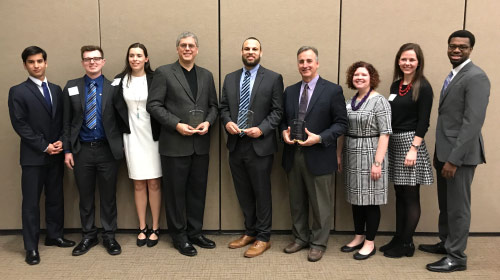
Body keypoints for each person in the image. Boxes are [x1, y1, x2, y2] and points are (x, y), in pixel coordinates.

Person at [421, 30, 490, 273]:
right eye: (452, 46)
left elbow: (472, 123)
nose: (456, 50)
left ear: (471, 49)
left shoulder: (476, 77)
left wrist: (453, 160)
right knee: (446, 204)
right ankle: (447, 242)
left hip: (459, 157)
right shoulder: (455, 74)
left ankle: (457, 257)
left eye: (462, 46)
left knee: (459, 207)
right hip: (445, 153)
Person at [147, 31, 218, 257]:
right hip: (174, 144)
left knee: (197, 192)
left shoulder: (206, 75)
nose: (187, 49)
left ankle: (195, 232)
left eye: (191, 45)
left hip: (200, 145)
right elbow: (154, 105)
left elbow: (214, 106)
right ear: (177, 49)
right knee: (176, 193)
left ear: (197, 50)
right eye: (183, 45)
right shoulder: (164, 73)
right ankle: (179, 236)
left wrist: (208, 122)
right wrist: (176, 124)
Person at [8, 46, 75, 265]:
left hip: (55, 155)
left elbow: (64, 120)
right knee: (31, 203)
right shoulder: (18, 91)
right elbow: (20, 125)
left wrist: (61, 143)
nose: (36, 65)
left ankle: (54, 236)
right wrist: (44, 146)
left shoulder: (56, 89)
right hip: (33, 157)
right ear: (25, 65)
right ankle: (31, 247)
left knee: (56, 198)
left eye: (39, 61)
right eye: (31, 62)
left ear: (46, 63)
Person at [281, 46, 347, 262]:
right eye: (301, 61)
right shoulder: (289, 91)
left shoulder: (332, 90)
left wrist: (319, 138)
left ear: (317, 63)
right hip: (294, 154)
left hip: (319, 154)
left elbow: (341, 124)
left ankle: (318, 242)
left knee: (321, 204)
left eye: (309, 61)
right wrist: (283, 132)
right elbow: (283, 119)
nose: (305, 65)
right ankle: (300, 238)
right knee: (297, 201)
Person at [219, 37, 283, 258]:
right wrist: (227, 122)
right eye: (247, 48)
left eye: (254, 49)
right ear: (241, 51)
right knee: (243, 192)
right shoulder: (230, 78)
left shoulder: (273, 78)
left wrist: (262, 129)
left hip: (260, 145)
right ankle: (250, 231)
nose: (250, 52)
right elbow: (223, 107)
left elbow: (277, 111)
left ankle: (264, 237)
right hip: (236, 144)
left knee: (261, 192)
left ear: (261, 52)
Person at [62, 45, 125, 256]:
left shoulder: (114, 87)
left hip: (107, 151)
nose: (92, 62)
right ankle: (88, 235)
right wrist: (67, 151)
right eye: (88, 59)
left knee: (108, 196)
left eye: (96, 58)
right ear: (82, 62)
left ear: (103, 62)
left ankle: (109, 236)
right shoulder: (72, 87)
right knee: (85, 196)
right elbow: (67, 123)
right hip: (82, 151)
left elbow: (122, 119)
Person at [381, 43, 434, 258]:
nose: (407, 63)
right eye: (403, 59)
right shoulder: (396, 85)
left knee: (411, 196)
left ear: (418, 62)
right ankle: (399, 237)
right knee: (399, 193)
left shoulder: (424, 86)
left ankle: (407, 244)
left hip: (412, 143)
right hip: (395, 142)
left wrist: (414, 148)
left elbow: (424, 122)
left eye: (411, 59)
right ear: (398, 61)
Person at [337, 61, 392, 260]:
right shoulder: (350, 102)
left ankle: (370, 242)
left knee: (370, 200)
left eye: (364, 75)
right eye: (356, 75)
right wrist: (338, 154)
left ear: (372, 78)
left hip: (371, 153)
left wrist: (378, 163)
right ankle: (358, 236)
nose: (359, 77)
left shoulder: (380, 101)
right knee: (356, 199)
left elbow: (385, 134)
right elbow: (343, 130)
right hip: (351, 152)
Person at [114, 43, 162, 247]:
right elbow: (114, 110)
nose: (135, 59)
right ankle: (142, 227)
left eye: (139, 55)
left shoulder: (156, 78)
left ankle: (156, 226)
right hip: (131, 136)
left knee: (154, 182)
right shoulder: (120, 80)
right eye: (131, 55)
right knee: (138, 182)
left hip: (153, 137)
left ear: (146, 59)